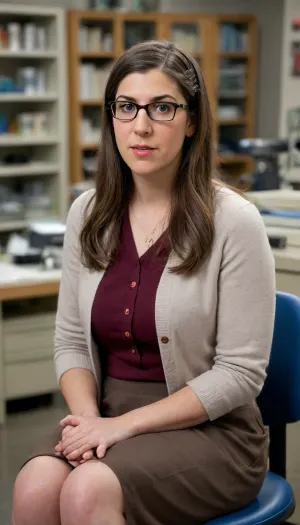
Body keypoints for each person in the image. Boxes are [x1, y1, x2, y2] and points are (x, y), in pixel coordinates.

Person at [11, 40, 275, 525]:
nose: (142, 125)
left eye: (163, 107)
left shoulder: (235, 221)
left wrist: (121, 427)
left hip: (211, 431)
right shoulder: (88, 213)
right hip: (105, 412)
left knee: (87, 490)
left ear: (192, 120)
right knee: (34, 487)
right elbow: (70, 339)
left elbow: (240, 373)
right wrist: (91, 420)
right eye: (127, 106)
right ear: (111, 115)